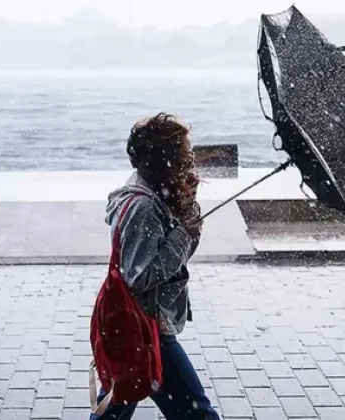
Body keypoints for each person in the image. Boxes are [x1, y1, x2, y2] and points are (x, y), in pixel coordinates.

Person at [92, 112, 220, 420]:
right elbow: (139, 275)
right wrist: (182, 234)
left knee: (116, 406)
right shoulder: (144, 206)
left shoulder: (156, 193)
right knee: (197, 414)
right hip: (147, 326)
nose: (192, 164)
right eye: (186, 158)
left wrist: (187, 209)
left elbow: (178, 254)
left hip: (139, 325)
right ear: (165, 161)